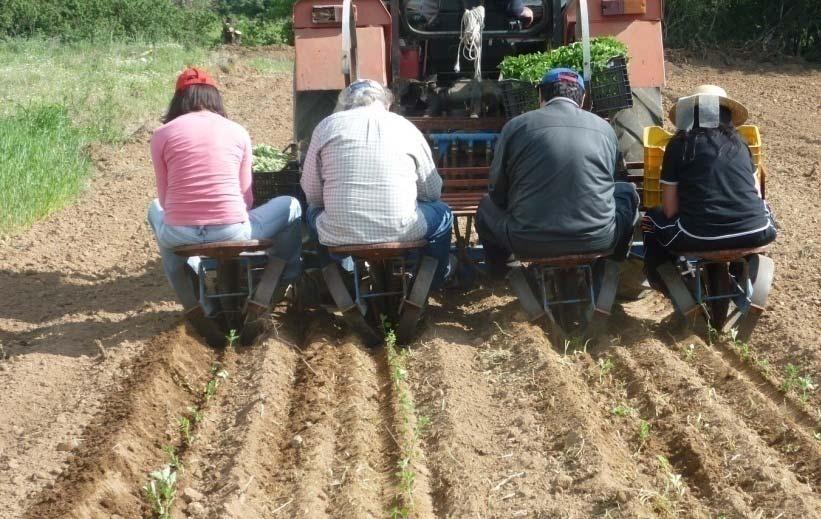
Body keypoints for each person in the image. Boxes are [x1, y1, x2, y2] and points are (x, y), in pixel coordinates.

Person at [147, 67, 302, 317]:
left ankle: (191, 292)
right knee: (292, 205)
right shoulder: (237, 131)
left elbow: (165, 201)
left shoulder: (161, 135)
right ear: (215, 98)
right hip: (231, 230)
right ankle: (286, 275)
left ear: (178, 100)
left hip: (179, 234)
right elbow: (246, 197)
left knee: (154, 208)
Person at [476, 68, 639, 275]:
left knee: (485, 207)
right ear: (582, 98)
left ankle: (505, 272)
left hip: (527, 242)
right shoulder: (605, 129)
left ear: (541, 95)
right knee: (627, 192)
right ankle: (612, 262)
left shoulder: (515, 126)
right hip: (599, 239)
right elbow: (612, 181)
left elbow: (497, 190)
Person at [300, 79, 454, 288]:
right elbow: (432, 191)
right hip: (403, 230)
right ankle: (432, 282)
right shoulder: (405, 126)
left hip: (336, 232)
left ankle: (339, 282)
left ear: (346, 103)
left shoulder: (326, 126)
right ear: (386, 103)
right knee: (444, 213)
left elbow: (313, 195)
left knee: (312, 213)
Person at [642, 85, 776, 288]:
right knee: (764, 211)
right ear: (727, 114)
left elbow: (670, 210)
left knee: (649, 220)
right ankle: (742, 267)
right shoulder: (741, 143)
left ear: (691, 115)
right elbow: (757, 194)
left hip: (697, 236)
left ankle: (665, 282)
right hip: (758, 231)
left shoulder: (680, 145)